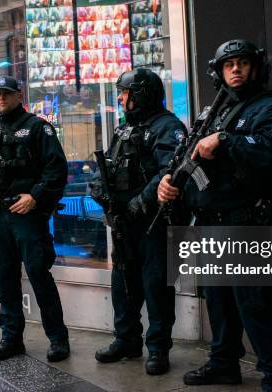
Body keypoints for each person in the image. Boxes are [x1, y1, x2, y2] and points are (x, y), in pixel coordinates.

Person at [158, 39, 272, 391]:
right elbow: (189, 159)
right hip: (211, 222)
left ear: (255, 67)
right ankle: (223, 363)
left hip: (247, 223)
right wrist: (169, 184)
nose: (235, 69)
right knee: (218, 303)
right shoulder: (213, 112)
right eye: (228, 64)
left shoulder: (269, 108)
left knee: (259, 306)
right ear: (218, 71)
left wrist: (226, 140)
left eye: (242, 63)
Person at [91, 68, 188, 375]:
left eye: (124, 92)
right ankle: (127, 340)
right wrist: (99, 190)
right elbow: (106, 165)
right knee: (123, 283)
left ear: (141, 93)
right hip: (124, 222)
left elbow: (170, 171)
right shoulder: (123, 130)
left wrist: (140, 202)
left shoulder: (167, 127)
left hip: (153, 222)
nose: (120, 98)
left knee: (156, 285)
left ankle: (158, 349)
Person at [0, 76, 70, 362]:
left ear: (18, 95)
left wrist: (35, 196)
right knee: (5, 279)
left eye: (6, 93)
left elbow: (56, 170)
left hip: (28, 217)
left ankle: (58, 339)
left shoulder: (38, 128)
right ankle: (11, 339)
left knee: (39, 276)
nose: (1, 98)